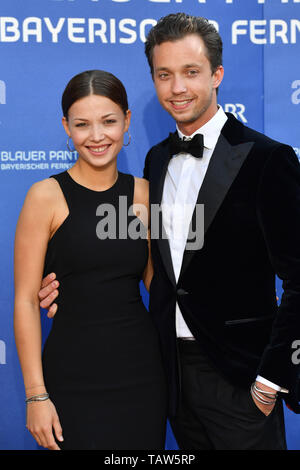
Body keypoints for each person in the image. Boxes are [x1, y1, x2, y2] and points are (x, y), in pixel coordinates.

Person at [39, 14, 300, 450]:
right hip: (167, 378)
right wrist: (73, 287)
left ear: (217, 75)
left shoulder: (268, 160)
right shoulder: (156, 161)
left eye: (190, 72)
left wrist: (271, 380)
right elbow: (150, 264)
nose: (177, 88)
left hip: (241, 379)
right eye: (164, 74)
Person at [14, 69, 167, 450]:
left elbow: (161, 285)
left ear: (127, 120)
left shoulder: (146, 194)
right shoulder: (45, 196)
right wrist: (36, 395)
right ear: (66, 127)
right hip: (71, 376)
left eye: (109, 121)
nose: (97, 136)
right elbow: (25, 301)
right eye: (82, 124)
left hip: (142, 375)